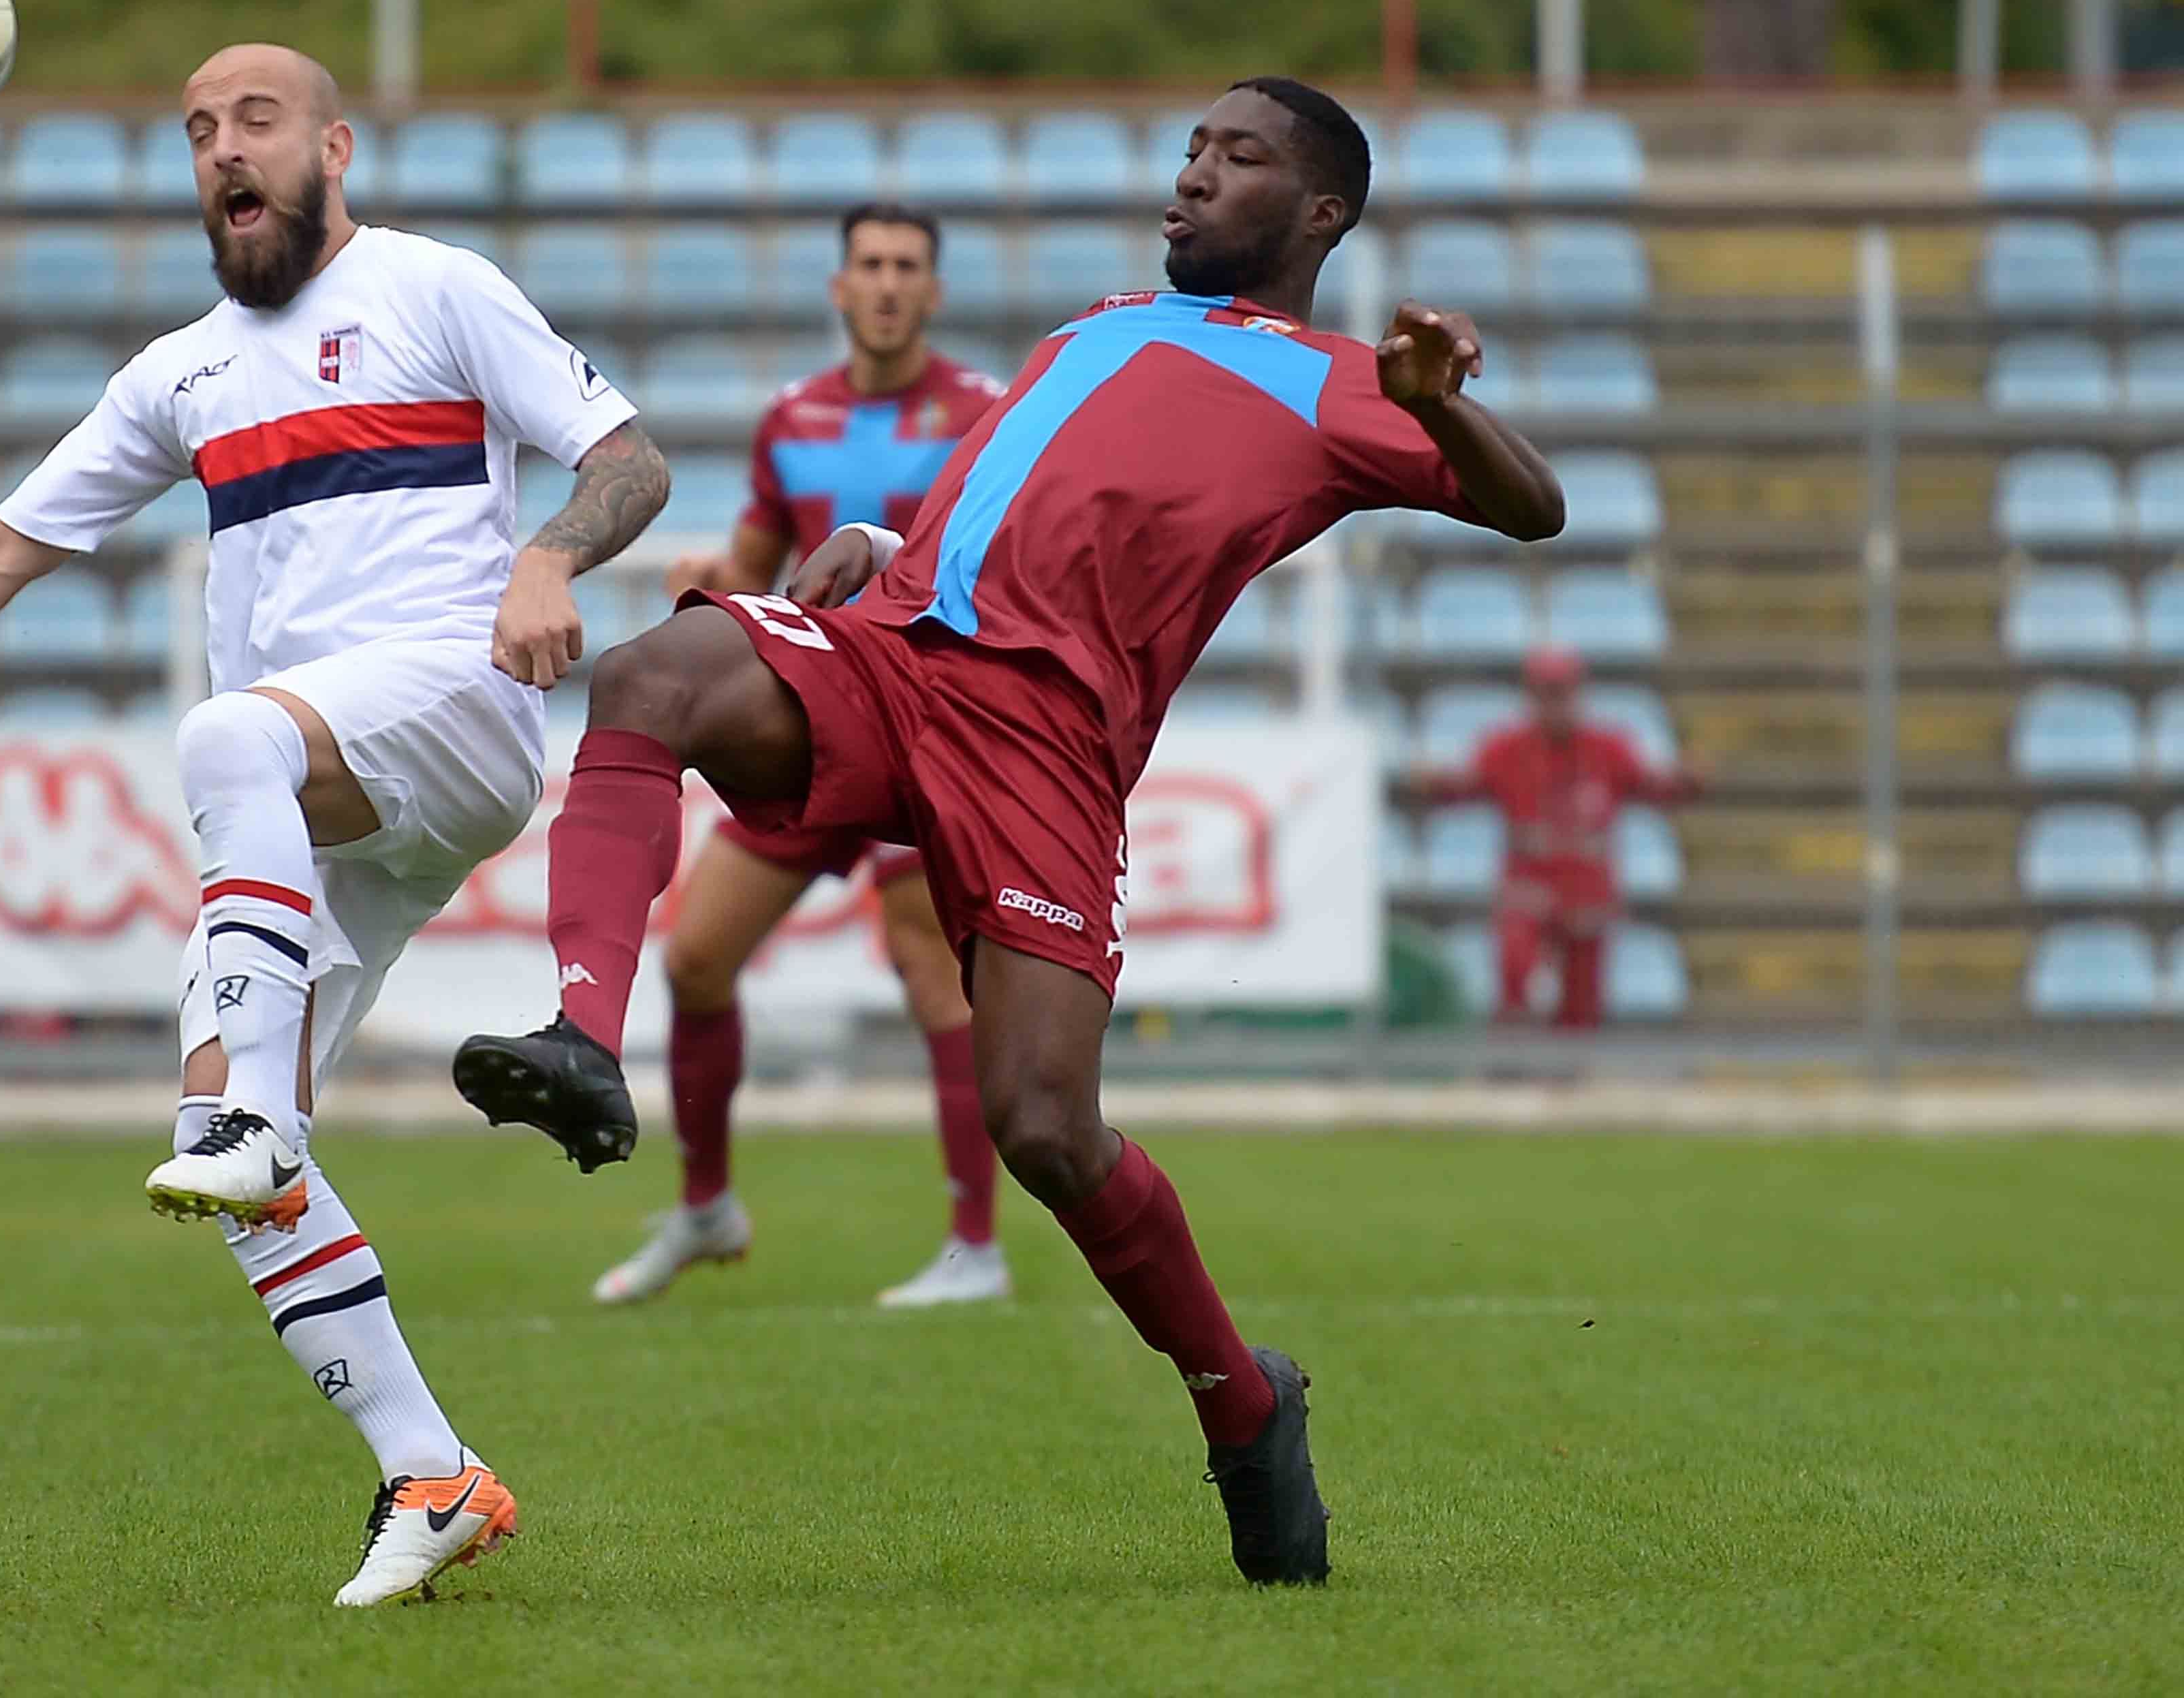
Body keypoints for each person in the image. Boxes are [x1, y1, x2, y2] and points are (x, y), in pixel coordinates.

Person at [450, 77, 1566, 1586]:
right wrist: (881, 541)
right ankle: (584, 1035)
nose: (1193, 175)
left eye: (1237, 158)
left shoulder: (1340, 385)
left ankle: (1244, 1405)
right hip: (897, 653)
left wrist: (1437, 404)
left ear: (1321, 214)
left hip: (1045, 744)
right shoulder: (1098, 324)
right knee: (651, 675)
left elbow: (1536, 508)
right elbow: (1012, 500)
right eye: (1190, 149)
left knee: (1042, 1125)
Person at [0, 44, 670, 1607]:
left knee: (228, 742)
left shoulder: (437, 289)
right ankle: (431, 1472)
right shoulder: (179, 373)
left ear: (334, 148)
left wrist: (549, 560)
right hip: (325, 800)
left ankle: (262, 1126)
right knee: (212, 1143)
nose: (223, 147)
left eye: (255, 120)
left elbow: (628, 462)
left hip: (454, 706)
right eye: (196, 131)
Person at [597, 202, 1012, 1311]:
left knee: (930, 970)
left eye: (907, 266)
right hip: (810, 727)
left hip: (924, 732)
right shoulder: (793, 417)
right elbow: (759, 566)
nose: (887, 283)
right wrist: (714, 581)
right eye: (870, 264)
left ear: (933, 291)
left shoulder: (984, 414)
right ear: (841, 287)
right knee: (696, 958)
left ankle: (974, 1244)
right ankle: (706, 1206)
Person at [1421, 646, 1700, 1031]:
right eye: (1544, 694)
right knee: (1517, 971)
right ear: (1530, 696)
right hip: (1529, 883)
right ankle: (1516, 1056)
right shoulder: (1506, 747)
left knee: (1581, 1004)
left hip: (1586, 887)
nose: (1554, 705)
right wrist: (1436, 782)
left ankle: (1572, 1064)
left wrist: (1684, 782)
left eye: (1562, 693)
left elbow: (1649, 785)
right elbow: (1465, 786)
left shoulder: (1608, 748)